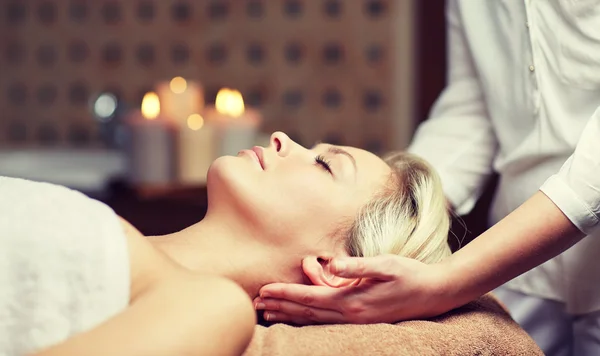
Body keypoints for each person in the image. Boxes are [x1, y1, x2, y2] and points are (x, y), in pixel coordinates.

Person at [254, 1, 600, 355]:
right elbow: (472, 109)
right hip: (523, 267)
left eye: (325, 165)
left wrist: (446, 281)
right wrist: (394, 218)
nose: (279, 138)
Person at [2, 131, 452, 355]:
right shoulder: (109, 230)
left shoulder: (213, 306)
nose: (282, 137)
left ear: (334, 268)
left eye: (324, 164)